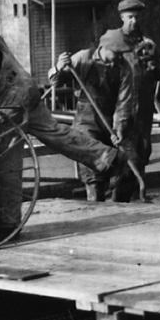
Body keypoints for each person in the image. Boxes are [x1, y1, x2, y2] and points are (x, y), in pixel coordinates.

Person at [0, 0, 122, 245]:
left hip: (8, 100)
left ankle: (6, 227)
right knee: (55, 133)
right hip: (21, 89)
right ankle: (109, 158)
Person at [50, 30, 137, 202]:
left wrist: (119, 129)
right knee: (94, 173)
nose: (119, 58)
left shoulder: (124, 68)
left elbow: (124, 104)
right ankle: (95, 210)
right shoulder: (84, 57)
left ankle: (118, 208)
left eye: (122, 54)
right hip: (86, 123)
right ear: (104, 48)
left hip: (109, 123)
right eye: (117, 53)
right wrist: (59, 66)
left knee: (128, 169)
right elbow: (54, 81)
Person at [109, 34, 160, 202]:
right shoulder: (126, 63)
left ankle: (134, 197)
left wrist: (155, 64)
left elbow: (159, 73)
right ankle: (120, 199)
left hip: (144, 119)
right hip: (126, 117)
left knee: (143, 152)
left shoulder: (150, 62)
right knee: (128, 159)